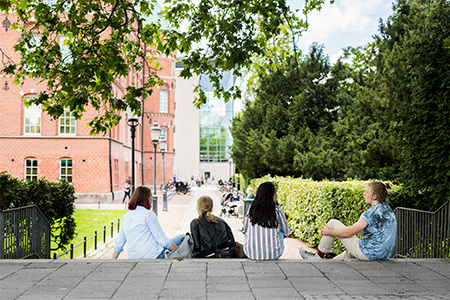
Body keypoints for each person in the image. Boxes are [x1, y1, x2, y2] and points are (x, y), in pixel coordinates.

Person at [298, 181, 397, 261]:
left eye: (366, 192)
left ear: (374, 196)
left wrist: (328, 232)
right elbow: (373, 230)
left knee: (332, 223)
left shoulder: (371, 213)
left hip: (369, 254)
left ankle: (318, 257)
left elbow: (348, 233)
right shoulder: (388, 210)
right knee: (349, 253)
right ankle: (325, 265)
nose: (364, 194)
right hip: (383, 255)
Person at [113, 186, 185, 259]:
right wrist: (179, 253)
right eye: (150, 196)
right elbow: (162, 239)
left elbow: (119, 243)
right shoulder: (148, 214)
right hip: (154, 256)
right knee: (184, 237)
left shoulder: (126, 217)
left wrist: (111, 261)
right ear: (146, 198)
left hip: (134, 257)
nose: (152, 199)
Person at [244, 181, 290, 260]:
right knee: (281, 232)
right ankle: (271, 247)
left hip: (250, 254)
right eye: (275, 193)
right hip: (273, 255)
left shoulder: (251, 209)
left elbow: (245, 229)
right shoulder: (277, 210)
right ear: (270, 195)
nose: (277, 195)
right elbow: (286, 231)